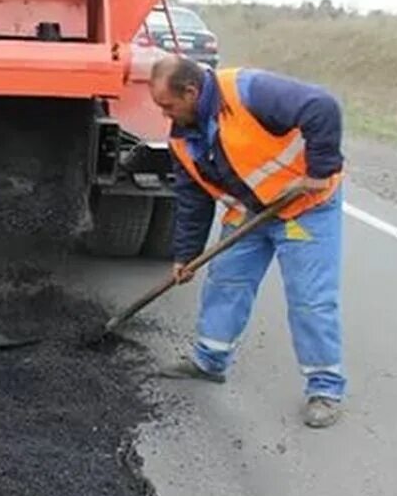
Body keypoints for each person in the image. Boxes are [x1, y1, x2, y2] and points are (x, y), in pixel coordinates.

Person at [149, 53, 347, 428]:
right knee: (226, 282)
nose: (164, 114)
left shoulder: (248, 90)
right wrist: (186, 256)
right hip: (250, 211)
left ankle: (325, 388)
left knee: (310, 299)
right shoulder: (181, 138)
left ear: (190, 92)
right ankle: (210, 361)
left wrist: (321, 170)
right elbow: (193, 200)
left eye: (167, 105)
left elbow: (322, 106)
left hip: (303, 208)